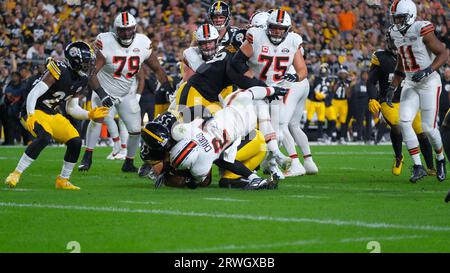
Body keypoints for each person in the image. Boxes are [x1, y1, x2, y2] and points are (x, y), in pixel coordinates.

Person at [4, 41, 109, 190]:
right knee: (44, 137)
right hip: (34, 109)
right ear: (75, 61)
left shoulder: (82, 79)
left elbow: (71, 108)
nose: (89, 66)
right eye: (86, 63)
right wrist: (31, 114)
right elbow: (33, 94)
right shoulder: (59, 69)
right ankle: (16, 173)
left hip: (51, 113)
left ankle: (63, 180)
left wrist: (89, 114)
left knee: (76, 141)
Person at [78, 12, 173, 173]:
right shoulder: (105, 41)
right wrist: (102, 94)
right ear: (116, 30)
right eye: (122, 30)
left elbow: (157, 68)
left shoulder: (143, 43)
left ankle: (128, 162)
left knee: (135, 130)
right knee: (97, 120)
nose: (126, 33)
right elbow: (91, 73)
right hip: (105, 89)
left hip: (127, 93)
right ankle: (87, 157)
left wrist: (168, 88)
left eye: (129, 29)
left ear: (134, 29)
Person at [233, 9, 318, 178]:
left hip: (277, 90)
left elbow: (302, 70)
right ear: (267, 27)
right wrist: (250, 80)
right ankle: (263, 161)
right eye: (274, 27)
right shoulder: (256, 36)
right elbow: (238, 61)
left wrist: (296, 76)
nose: (277, 31)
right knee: (256, 127)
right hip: (258, 89)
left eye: (281, 28)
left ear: (287, 29)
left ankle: (271, 163)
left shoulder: (293, 41)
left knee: (278, 132)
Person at [168, 86, 288, 189]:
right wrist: (272, 90)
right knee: (225, 159)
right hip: (241, 133)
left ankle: (252, 176)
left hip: (234, 136)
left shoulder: (198, 155)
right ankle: (252, 177)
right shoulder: (243, 103)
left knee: (223, 157)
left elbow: (196, 182)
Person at [387, 0, 449, 182]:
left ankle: (440, 159)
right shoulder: (395, 34)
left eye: (400, 18)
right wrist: (393, 86)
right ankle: (418, 166)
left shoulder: (422, 29)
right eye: (395, 18)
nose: (397, 22)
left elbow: (443, 53)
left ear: (410, 15)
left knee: (428, 128)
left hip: (429, 82)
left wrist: (428, 70)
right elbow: (402, 60)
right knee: (404, 121)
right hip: (410, 83)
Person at [368, 31, 435, 176]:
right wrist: (372, 98)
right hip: (388, 100)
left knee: (421, 132)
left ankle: (430, 166)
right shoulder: (380, 57)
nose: (396, 43)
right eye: (394, 40)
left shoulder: (412, 54)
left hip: (409, 100)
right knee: (397, 126)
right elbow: (371, 81)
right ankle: (399, 157)